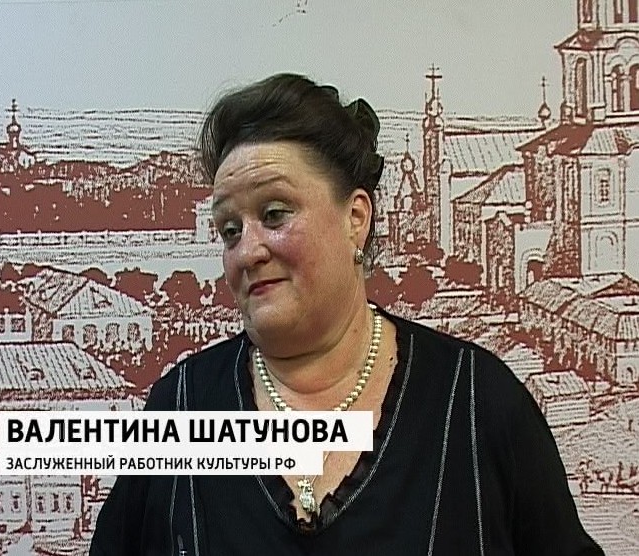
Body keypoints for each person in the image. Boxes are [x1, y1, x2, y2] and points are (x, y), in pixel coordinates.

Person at [90, 73, 604, 555]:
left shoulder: (475, 402)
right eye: (230, 230)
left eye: (274, 214)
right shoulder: (183, 405)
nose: (246, 251)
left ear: (355, 218)